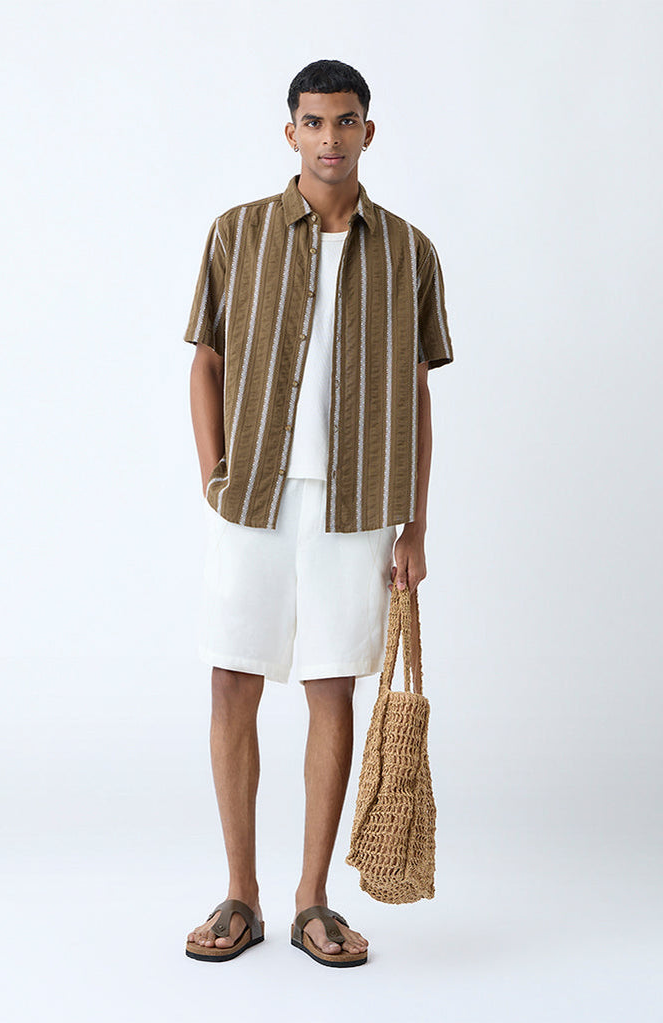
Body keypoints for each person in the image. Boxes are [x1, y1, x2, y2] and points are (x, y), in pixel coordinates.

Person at [182, 58, 453, 967]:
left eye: (344, 121)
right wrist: (215, 476)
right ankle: (240, 894)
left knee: (331, 686)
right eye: (313, 121)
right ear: (289, 130)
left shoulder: (409, 251)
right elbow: (206, 361)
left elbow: (417, 394)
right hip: (252, 499)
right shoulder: (238, 233)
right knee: (232, 680)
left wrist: (415, 525)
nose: (328, 138)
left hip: (357, 508)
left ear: (367, 131)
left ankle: (311, 901)